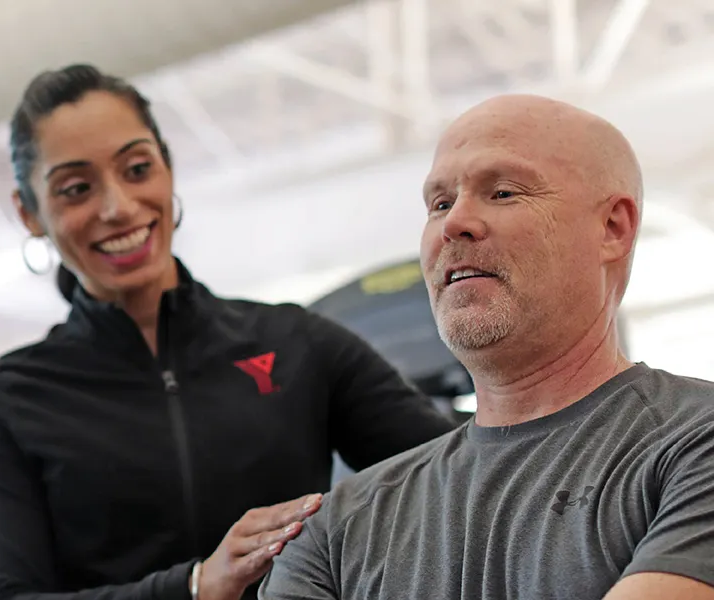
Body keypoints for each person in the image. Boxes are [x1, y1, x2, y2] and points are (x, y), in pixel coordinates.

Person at [0, 64, 457, 600]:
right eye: (76, 188)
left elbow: (454, 469)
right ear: (28, 212)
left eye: (136, 168)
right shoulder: (10, 400)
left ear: (167, 166)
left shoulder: (297, 344)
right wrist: (194, 587)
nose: (118, 207)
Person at [258, 94, 714, 600]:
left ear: (612, 228)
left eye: (501, 193)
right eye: (440, 203)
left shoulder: (694, 444)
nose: (454, 224)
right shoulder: (332, 533)